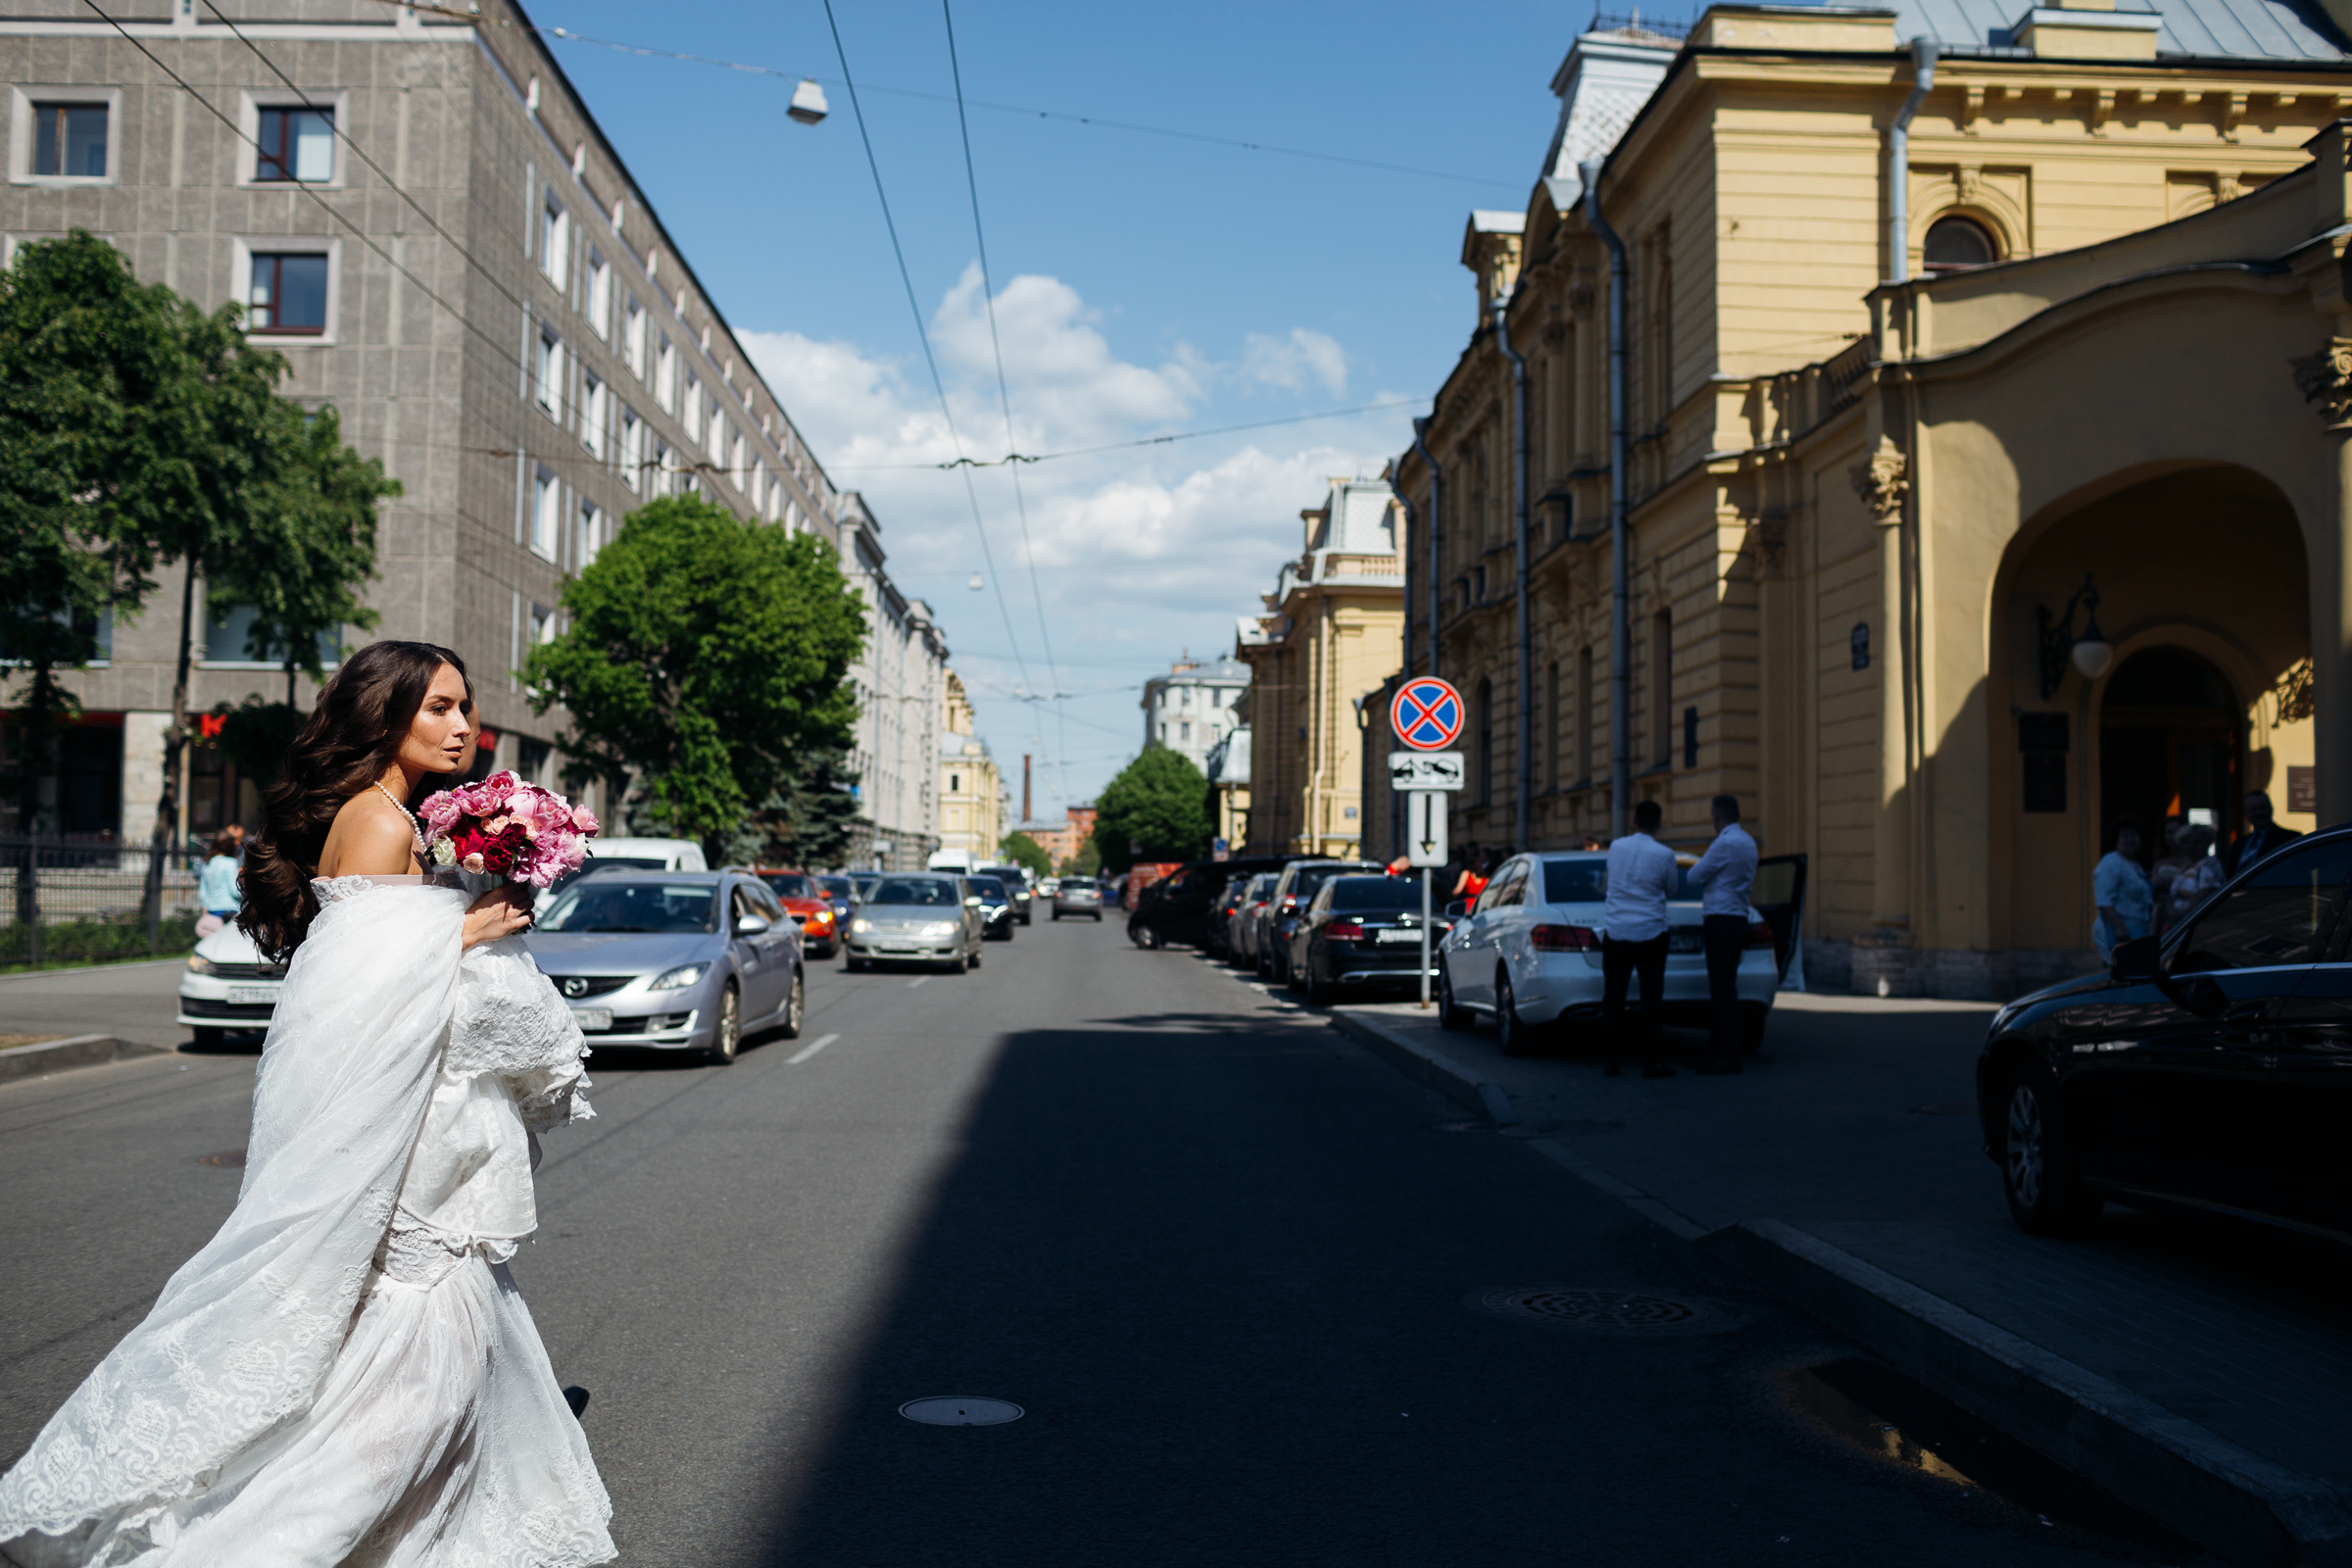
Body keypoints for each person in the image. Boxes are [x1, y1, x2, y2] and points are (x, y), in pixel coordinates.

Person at [0, 641, 615, 1567]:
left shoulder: (394, 816)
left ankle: (377, 1534)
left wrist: (472, 911)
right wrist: (474, 927)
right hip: (402, 1149)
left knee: (423, 1365)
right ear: (386, 716)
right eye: (440, 709)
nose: (463, 726)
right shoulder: (377, 823)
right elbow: (364, 998)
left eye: (466, 706)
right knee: (426, 1381)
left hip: (423, 1134)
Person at [1601, 798, 1680, 1079]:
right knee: (1651, 1000)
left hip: (1617, 931)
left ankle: (1611, 1061)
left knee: (1613, 998)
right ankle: (1651, 1063)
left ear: (1633, 821)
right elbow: (1671, 889)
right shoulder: (1664, 854)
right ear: (1658, 824)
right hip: (1651, 933)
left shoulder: (1617, 848)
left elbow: (1611, 881)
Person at [1689, 794, 1759, 1074]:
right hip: (1739, 918)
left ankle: (1728, 1055)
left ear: (1716, 817)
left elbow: (1694, 877)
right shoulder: (1749, 843)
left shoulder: (1724, 844)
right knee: (1725, 988)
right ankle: (1716, 1050)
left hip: (1719, 920)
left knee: (1722, 991)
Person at [2092, 818, 2153, 963]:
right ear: (2116, 839)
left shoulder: (2134, 864)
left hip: (2137, 928)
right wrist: (2119, 928)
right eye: (2125, 836)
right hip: (2119, 930)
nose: (2130, 839)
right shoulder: (2111, 863)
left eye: (2134, 835)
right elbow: (2104, 901)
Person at [2223, 789, 2303, 875]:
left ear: (2271, 809)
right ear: (2246, 814)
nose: (2259, 812)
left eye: (2263, 807)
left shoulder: (2290, 839)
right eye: (2253, 809)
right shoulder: (2238, 845)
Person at [2160, 822, 2223, 932]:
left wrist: (2183, 917)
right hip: (2177, 926)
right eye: (2186, 842)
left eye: (2197, 842)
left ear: (2207, 843)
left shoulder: (2209, 864)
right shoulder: (2186, 867)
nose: (2191, 846)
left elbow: (2205, 898)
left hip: (2194, 926)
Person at [192, 827, 243, 939]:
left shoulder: (208, 863)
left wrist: (204, 905)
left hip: (211, 910)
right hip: (229, 909)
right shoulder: (230, 863)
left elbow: (203, 890)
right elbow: (235, 891)